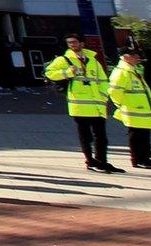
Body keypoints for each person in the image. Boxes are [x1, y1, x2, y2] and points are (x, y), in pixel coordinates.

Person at [46, 35, 121, 173]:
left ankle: (102, 161)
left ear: (82, 43)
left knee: (101, 137)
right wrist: (68, 72)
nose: (72, 45)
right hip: (79, 105)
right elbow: (50, 73)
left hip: (97, 104)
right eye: (69, 43)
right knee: (86, 136)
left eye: (74, 42)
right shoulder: (64, 59)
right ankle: (90, 161)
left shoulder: (93, 60)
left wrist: (104, 97)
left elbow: (103, 80)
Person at [108, 47, 151, 170]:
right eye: (134, 55)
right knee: (136, 135)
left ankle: (145, 158)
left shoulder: (132, 70)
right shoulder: (121, 72)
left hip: (141, 110)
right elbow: (114, 92)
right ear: (125, 57)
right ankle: (138, 159)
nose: (138, 58)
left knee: (144, 134)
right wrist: (122, 105)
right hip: (133, 110)